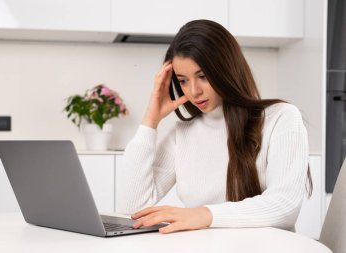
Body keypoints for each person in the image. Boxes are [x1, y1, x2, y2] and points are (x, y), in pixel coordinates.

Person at [116, 19, 312, 234]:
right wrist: (150, 121)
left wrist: (204, 214)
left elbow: (285, 206)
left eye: (202, 76)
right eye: (182, 80)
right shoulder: (183, 133)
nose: (194, 91)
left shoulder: (280, 118)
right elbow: (132, 208)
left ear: (226, 69)